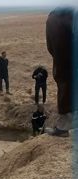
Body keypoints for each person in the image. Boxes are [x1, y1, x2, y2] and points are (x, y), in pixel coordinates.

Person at [45, 7, 75, 137]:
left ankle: (63, 127)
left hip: (65, 64)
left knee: (64, 86)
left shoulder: (54, 18)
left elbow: (52, 47)